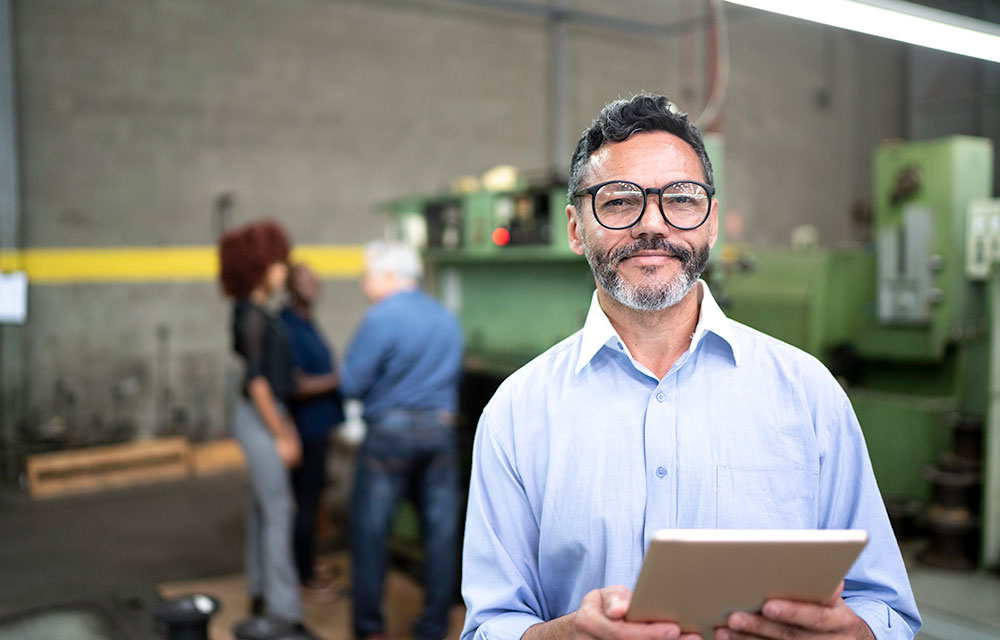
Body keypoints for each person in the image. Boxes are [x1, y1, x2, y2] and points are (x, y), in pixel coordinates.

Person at [461, 94, 921, 640]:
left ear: (712, 222)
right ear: (575, 227)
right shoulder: (516, 414)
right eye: (617, 201)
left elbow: (886, 607)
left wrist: (856, 634)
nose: (652, 224)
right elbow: (490, 625)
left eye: (681, 200)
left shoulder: (808, 394)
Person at [339, 240, 464, 640]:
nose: (364, 285)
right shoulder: (446, 317)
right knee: (442, 536)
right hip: (440, 433)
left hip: (389, 437)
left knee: (371, 534)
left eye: (369, 275)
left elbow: (351, 383)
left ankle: (370, 629)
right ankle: (434, 627)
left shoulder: (380, 318)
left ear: (392, 276)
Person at [218, 220, 320, 639]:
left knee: (263, 508)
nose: (283, 269)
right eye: (276, 261)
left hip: (265, 412)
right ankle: (285, 615)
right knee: (280, 510)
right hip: (262, 415)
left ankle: (261, 595)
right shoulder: (251, 316)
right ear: (257, 265)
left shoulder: (258, 312)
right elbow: (258, 383)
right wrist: (284, 434)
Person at [280, 263, 346, 600]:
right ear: (290, 286)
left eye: (314, 279)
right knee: (304, 503)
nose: (312, 285)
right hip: (304, 428)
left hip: (319, 425)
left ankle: (305, 563)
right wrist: (338, 379)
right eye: (303, 279)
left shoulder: (306, 322)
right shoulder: (287, 326)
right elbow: (292, 383)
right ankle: (304, 576)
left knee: (314, 500)